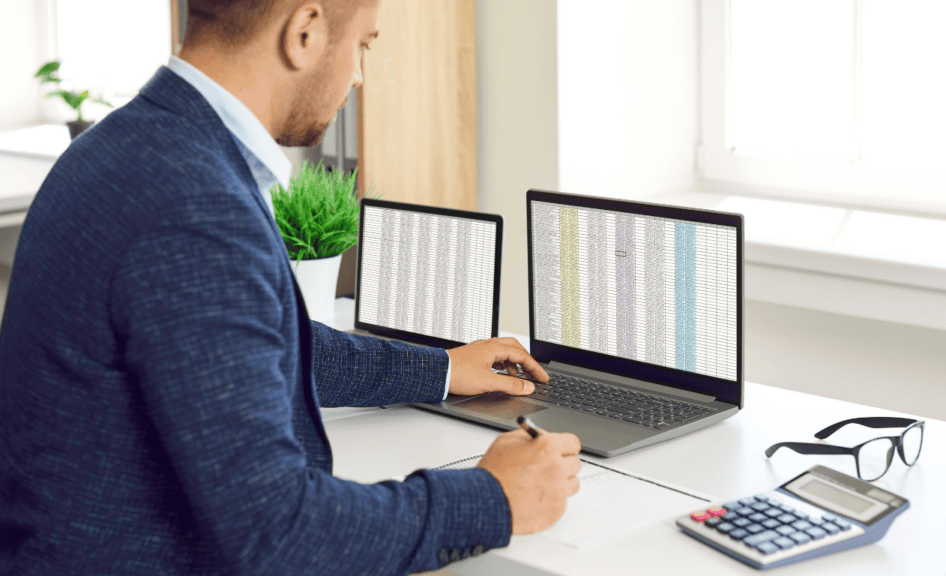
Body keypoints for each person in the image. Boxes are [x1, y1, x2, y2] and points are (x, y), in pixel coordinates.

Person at [0, 0, 582, 573]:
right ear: (304, 31)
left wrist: (442, 369)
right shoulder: (194, 203)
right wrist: (492, 497)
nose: (356, 76)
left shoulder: (127, 147)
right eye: (362, 45)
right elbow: (279, 532)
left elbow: (251, 347)